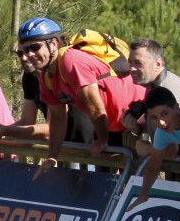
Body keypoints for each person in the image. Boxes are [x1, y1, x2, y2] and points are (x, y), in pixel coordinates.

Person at [15, 18, 145, 172]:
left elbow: (95, 106)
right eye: (21, 52)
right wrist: (52, 156)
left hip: (135, 119)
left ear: (54, 44)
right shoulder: (46, 76)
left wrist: (102, 141)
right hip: (110, 125)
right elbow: (57, 119)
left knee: (132, 183)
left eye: (34, 47)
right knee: (109, 187)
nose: (26, 56)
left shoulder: (71, 61)